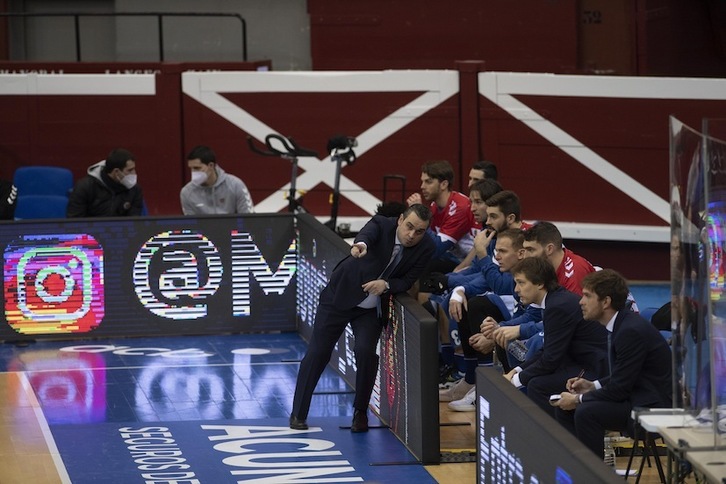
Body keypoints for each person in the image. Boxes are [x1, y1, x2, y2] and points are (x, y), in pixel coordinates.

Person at [290, 204, 435, 432]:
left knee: (366, 352)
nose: (412, 235)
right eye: (409, 227)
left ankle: (360, 413)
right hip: (340, 296)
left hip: (370, 309)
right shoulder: (382, 224)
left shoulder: (427, 247)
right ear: (400, 220)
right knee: (318, 352)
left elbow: (407, 281)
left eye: (420, 231)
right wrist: (360, 246)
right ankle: (298, 413)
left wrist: (386, 285)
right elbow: (367, 236)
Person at [552, 269, 672, 459]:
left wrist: (577, 399)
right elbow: (624, 374)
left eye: (586, 296)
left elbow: (619, 389)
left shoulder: (629, 331)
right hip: (635, 396)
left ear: (606, 302)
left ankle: (594, 475)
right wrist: (593, 385)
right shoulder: (622, 325)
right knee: (565, 409)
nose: (580, 302)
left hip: (650, 406)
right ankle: (575, 468)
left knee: (585, 412)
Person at [504, 257, 608, 417]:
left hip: (595, 368)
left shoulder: (557, 306)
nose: (516, 289)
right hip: (581, 362)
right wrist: (516, 371)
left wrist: (515, 381)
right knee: (535, 382)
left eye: (521, 283)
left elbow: (551, 359)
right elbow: (548, 351)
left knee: (537, 386)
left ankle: (559, 437)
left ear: (539, 283)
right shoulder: (555, 301)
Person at [406, 160, 474, 265]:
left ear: (444, 184)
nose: (422, 186)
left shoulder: (460, 207)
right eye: (422, 181)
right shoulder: (434, 206)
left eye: (428, 182)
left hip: (470, 264)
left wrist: (419, 214)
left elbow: (435, 250)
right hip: (452, 258)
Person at [66, 148, 144, 217]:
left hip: (120, 232)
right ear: (116, 172)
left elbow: (134, 223)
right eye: (130, 170)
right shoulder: (85, 187)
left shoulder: (134, 189)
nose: (134, 173)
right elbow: (74, 222)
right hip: (90, 232)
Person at [180, 145, 254, 215]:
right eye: (191, 168)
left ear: (211, 166)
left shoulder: (235, 185)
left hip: (234, 228)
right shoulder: (186, 192)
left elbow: (248, 220)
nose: (193, 172)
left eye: (197, 168)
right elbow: (191, 225)